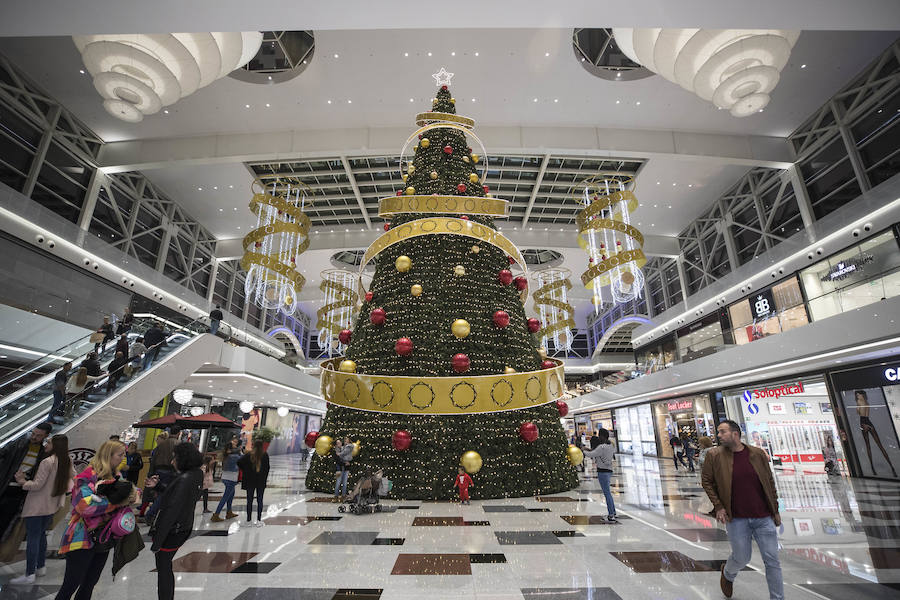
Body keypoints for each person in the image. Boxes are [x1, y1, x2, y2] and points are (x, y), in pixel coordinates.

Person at [701, 420, 782, 600]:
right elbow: (706, 481)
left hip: (763, 517)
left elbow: (769, 482)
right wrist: (719, 506)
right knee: (742, 557)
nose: (719, 435)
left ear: (735, 434)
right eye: (719, 432)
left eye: (723, 432)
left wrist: (775, 510)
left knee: (772, 560)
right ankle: (728, 573)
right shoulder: (714, 455)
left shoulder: (757, 454)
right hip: (736, 518)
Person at [56, 440, 133, 600]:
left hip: (104, 538)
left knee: (90, 583)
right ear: (108, 456)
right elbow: (85, 507)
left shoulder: (117, 476)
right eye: (120, 455)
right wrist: (116, 502)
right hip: (81, 538)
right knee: (70, 585)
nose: (123, 458)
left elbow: (126, 496)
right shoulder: (86, 477)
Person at [10, 435, 75, 584]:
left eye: (49, 442)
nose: (46, 444)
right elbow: (73, 476)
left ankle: (29, 574)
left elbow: (37, 485)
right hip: (52, 505)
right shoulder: (67, 460)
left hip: (37, 505)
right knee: (41, 536)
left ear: (56, 445)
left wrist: (22, 481)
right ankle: (41, 567)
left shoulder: (47, 462)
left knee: (33, 537)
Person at [146, 442, 203, 600]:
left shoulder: (184, 479)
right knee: (165, 566)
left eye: (175, 458)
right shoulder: (196, 474)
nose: (172, 462)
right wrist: (159, 486)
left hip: (173, 531)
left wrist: (157, 542)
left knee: (163, 568)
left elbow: (171, 511)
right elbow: (178, 495)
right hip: (184, 527)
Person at [0, 423, 52, 541]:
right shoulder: (19, 444)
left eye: (38, 435)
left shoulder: (43, 454)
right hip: (5, 485)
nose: (34, 437)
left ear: (46, 436)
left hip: (19, 491)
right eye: (33, 433)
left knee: (4, 521)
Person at [855, 390, 897, 477]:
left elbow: (859, 413)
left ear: (862, 395)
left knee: (868, 446)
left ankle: (872, 468)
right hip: (869, 422)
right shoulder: (867, 402)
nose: (857, 396)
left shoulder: (859, 402)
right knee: (880, 445)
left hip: (863, 423)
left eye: (858, 395)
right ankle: (892, 467)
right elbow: (867, 414)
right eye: (857, 395)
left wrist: (858, 408)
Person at [583, 428, 617, 522]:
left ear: (602, 436)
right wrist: (588, 449)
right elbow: (597, 453)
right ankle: (613, 512)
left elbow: (592, 454)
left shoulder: (602, 447)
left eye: (599, 436)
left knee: (607, 494)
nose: (599, 437)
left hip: (602, 472)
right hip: (609, 470)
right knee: (608, 493)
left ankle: (611, 515)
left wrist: (583, 451)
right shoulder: (610, 446)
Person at [237, 440, 270, 526]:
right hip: (260, 481)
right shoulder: (265, 455)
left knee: (249, 500)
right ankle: (259, 520)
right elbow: (267, 468)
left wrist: (245, 470)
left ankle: (249, 520)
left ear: (253, 445)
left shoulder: (249, 455)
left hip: (250, 480)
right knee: (260, 500)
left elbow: (239, 462)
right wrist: (264, 477)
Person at [211, 437, 241, 522]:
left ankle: (229, 512)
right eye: (234, 444)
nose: (236, 445)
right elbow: (243, 459)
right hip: (231, 478)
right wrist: (240, 452)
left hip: (225, 477)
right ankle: (216, 514)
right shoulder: (234, 456)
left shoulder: (226, 455)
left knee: (231, 494)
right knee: (226, 496)